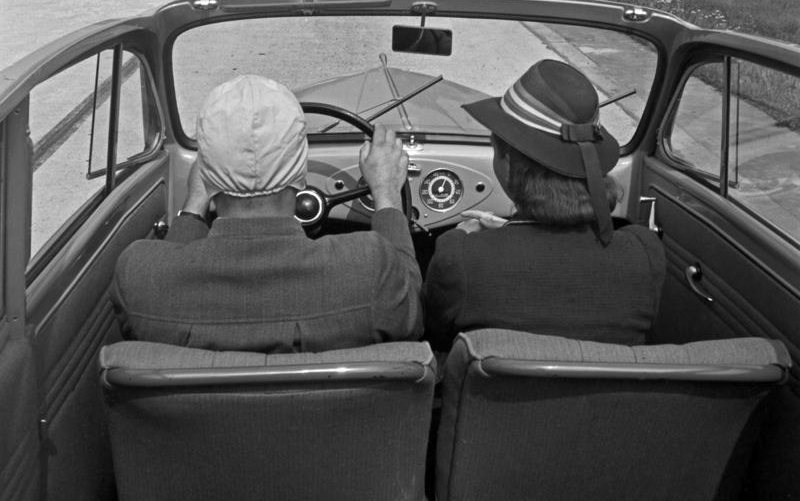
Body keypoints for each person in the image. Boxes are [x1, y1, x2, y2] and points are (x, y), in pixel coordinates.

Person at [111, 74, 422, 353]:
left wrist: (194, 205)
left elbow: (169, 273)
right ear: (300, 166)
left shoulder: (138, 277)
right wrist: (387, 195)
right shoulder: (370, 269)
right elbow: (411, 310)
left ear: (205, 171)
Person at [423, 59, 665, 351]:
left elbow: (431, 337)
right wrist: (513, 232)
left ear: (508, 164)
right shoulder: (643, 254)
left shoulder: (461, 258)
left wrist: (481, 239)